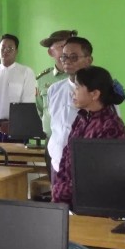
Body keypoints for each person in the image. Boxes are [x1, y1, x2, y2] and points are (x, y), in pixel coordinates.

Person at [51, 65, 125, 249]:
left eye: (78, 87)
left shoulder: (111, 126)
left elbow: (99, 177)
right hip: (78, 206)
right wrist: (59, 191)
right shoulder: (82, 118)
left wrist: (64, 191)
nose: (73, 91)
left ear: (94, 94)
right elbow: (67, 158)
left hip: (100, 212)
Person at [46, 37, 94, 179]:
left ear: (89, 60)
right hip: (57, 164)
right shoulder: (54, 89)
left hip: (86, 168)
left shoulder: (99, 91)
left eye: (73, 57)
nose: (67, 61)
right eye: (64, 57)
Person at [0, 34, 37, 142]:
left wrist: (13, 123)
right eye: (3, 48)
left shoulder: (26, 72)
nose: (5, 51)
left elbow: (28, 101)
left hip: (19, 127)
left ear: (16, 51)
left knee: (17, 153)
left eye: (10, 48)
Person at [36, 30, 78, 140]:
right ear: (51, 52)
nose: (67, 51)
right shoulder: (42, 79)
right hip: (51, 140)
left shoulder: (85, 76)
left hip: (78, 140)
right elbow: (40, 111)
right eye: (62, 47)